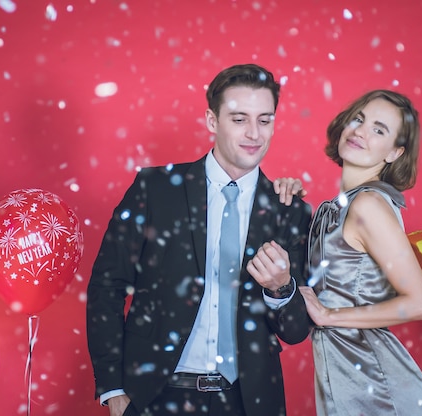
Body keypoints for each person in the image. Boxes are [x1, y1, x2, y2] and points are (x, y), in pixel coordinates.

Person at [86, 63, 312, 416]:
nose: (254, 133)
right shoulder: (155, 189)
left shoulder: (288, 210)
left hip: (247, 402)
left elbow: (296, 331)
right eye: (239, 119)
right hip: (155, 396)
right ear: (212, 121)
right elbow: (107, 285)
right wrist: (113, 388)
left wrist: (281, 288)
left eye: (264, 120)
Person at [265, 90, 422, 415]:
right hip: (347, 380)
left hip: (376, 388)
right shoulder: (341, 206)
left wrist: (330, 316)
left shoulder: (368, 205)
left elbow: (421, 303)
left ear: (394, 153)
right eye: (359, 119)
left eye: (379, 129)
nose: (361, 131)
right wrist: (288, 201)